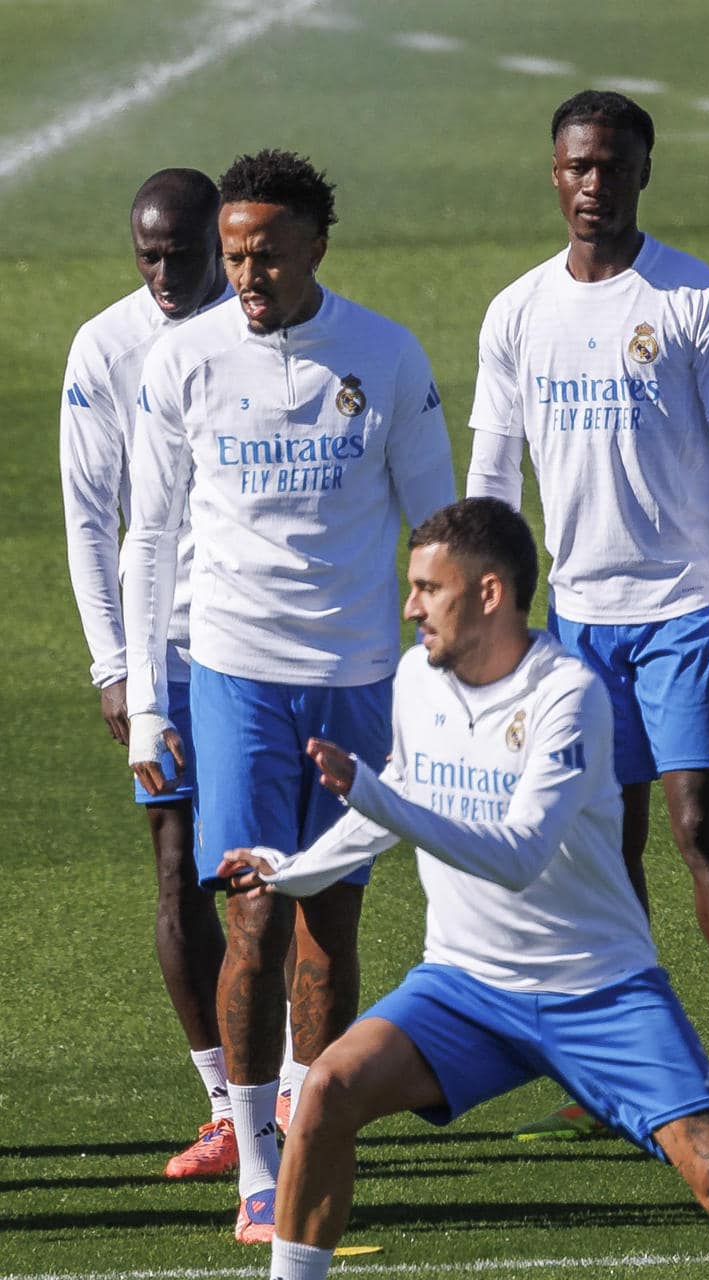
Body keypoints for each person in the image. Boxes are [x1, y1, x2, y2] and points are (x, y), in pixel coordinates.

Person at [214, 499, 709, 1280]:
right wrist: (290, 872)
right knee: (327, 1091)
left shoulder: (567, 696)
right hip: (465, 989)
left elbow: (517, 854)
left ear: (489, 594)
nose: (409, 605)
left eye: (427, 588)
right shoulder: (417, 677)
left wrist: (374, 794)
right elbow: (407, 791)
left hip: (599, 992)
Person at [121, 149, 456, 1241]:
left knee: (334, 919)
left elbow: (438, 523)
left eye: (264, 253)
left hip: (357, 678)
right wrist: (151, 701)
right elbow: (151, 536)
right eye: (233, 256)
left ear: (316, 243)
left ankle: (313, 1127)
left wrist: (448, 677)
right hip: (234, 677)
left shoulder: (385, 356)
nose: (247, 275)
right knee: (252, 917)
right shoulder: (187, 361)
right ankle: (256, 1164)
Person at [465, 89, 709, 1140]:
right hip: (576, 620)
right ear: (552, 173)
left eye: (613, 166)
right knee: (603, 851)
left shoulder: (697, 300)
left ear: (643, 174)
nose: (594, 186)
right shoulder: (518, 311)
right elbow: (491, 472)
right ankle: (631, 1064)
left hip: (685, 611)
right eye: (577, 167)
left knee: (700, 823)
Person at [59, 168, 235, 1179]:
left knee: (275, 872)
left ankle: (294, 1087)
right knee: (178, 869)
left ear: (221, 237)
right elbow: (89, 515)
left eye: (180, 251)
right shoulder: (105, 346)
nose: (163, 271)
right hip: (159, 651)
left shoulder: (260, 327)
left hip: (256, 643)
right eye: (148, 253)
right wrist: (113, 663)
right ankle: (224, 1104)